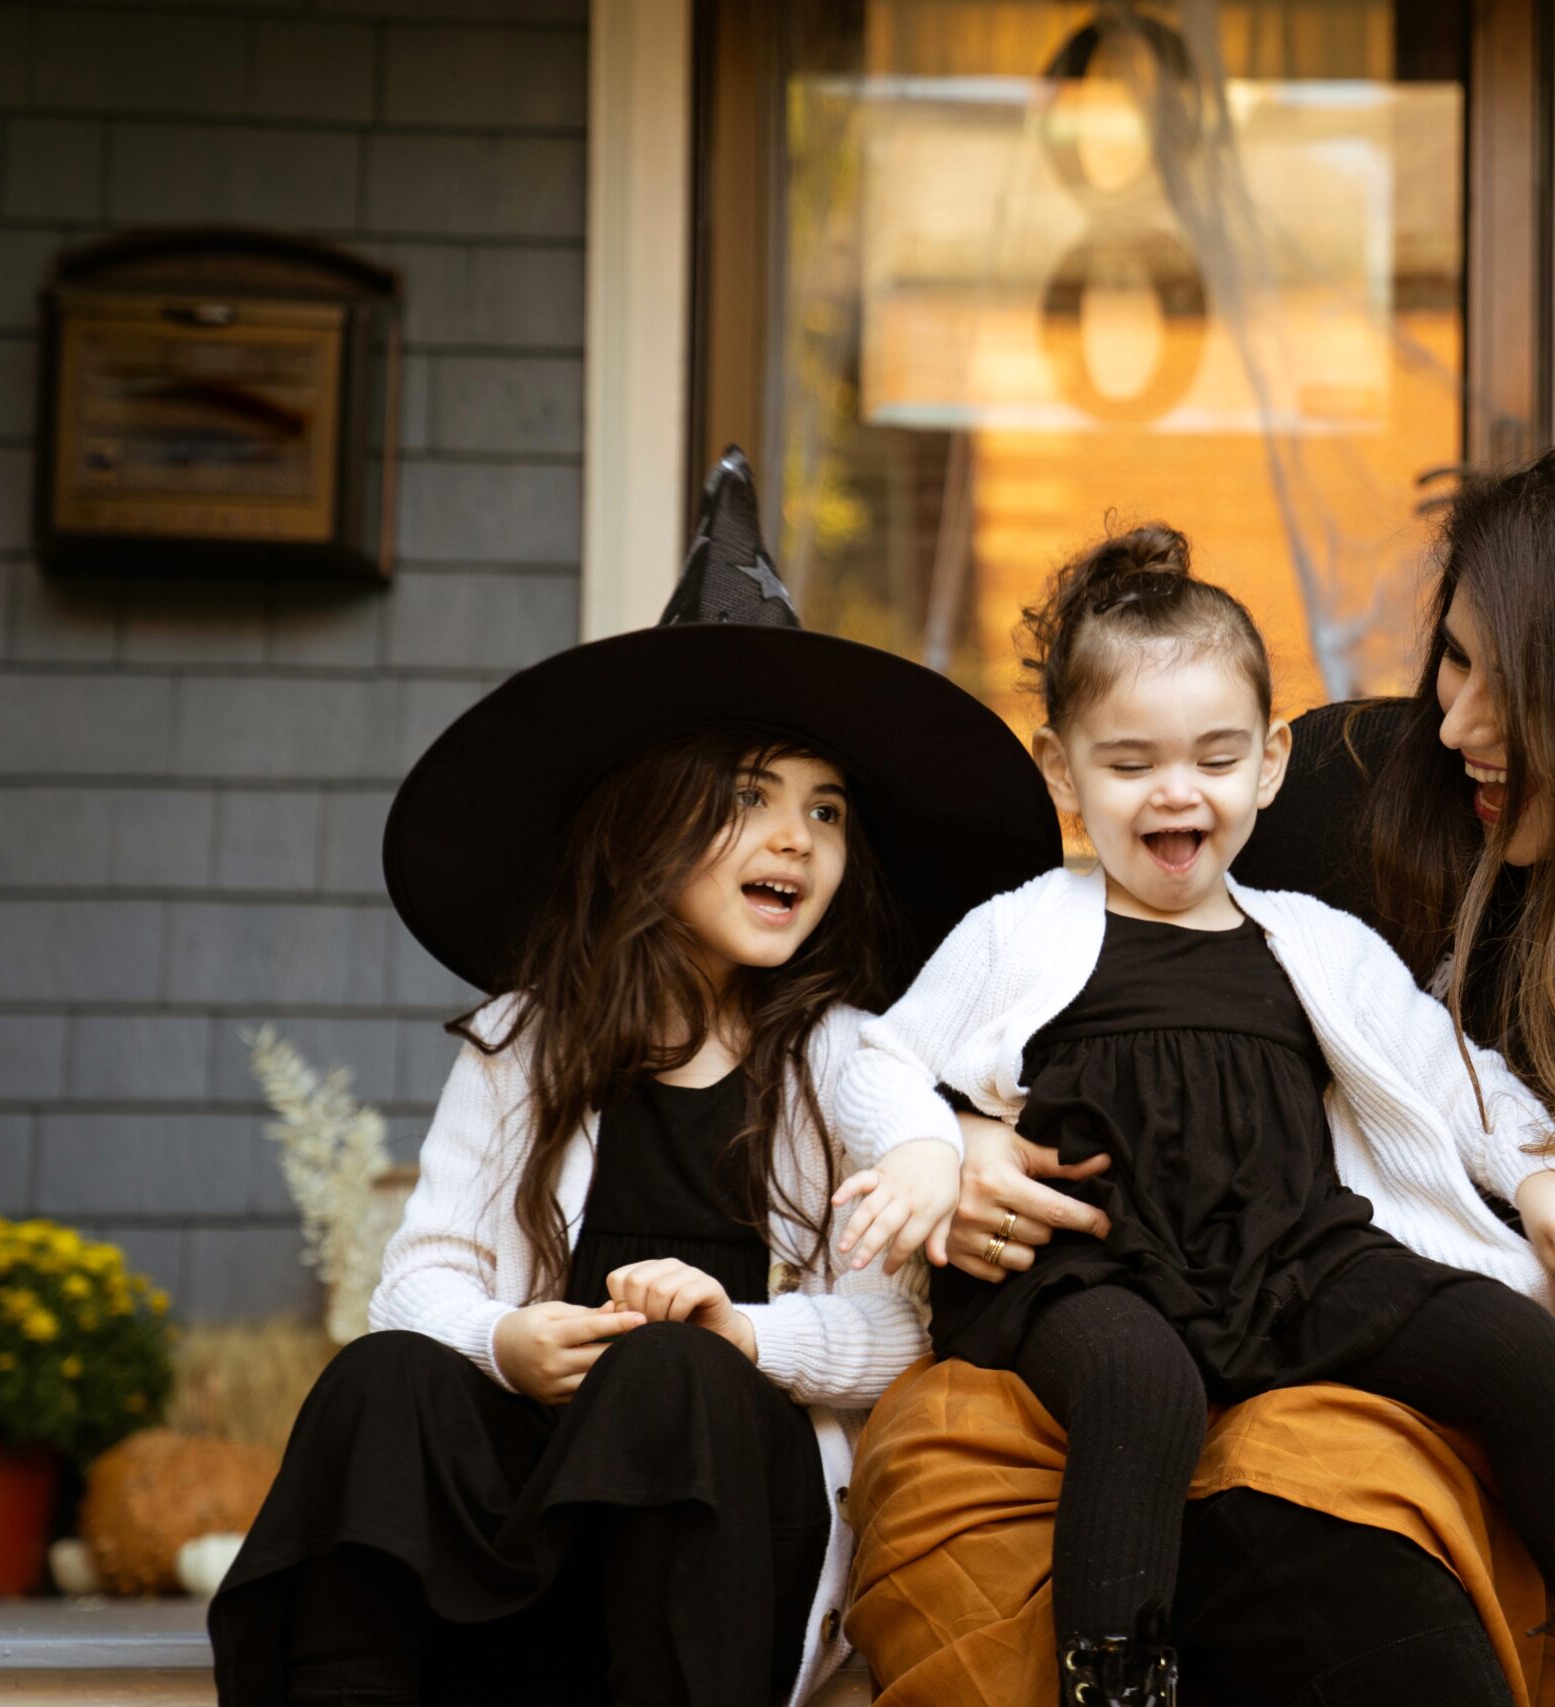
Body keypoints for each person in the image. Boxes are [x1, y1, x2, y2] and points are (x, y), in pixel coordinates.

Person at [846, 430, 1555, 1706]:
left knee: (1302, 1482)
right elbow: (1026, 976)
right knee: (956, 1452)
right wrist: (972, 1133)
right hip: (1185, 1368)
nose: (1458, 722)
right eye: (1452, 655)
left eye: (1521, 686)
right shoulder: (1338, 796)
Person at [208, 452, 1060, 1707]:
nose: (797, 841)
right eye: (749, 799)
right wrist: (507, 1342)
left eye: (826, 814)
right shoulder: (529, 1040)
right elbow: (418, 1281)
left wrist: (737, 1329)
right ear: (648, 830)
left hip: (710, 1544)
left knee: (667, 1376)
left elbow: (894, 1336)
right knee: (380, 1378)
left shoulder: (837, 1053)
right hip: (534, 1520)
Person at [831, 526, 1555, 1707]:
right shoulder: (1022, 928)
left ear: (1271, 761)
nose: (1176, 791)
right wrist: (931, 1144)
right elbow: (875, 1058)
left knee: (1505, 1339)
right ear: (1060, 768)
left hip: (1288, 1254)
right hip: (1091, 1268)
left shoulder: (1315, 942)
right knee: (1145, 1390)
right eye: (1128, 764)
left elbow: (1457, 1077)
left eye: (1214, 756)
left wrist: (1543, 1182)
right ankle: (1119, 1680)